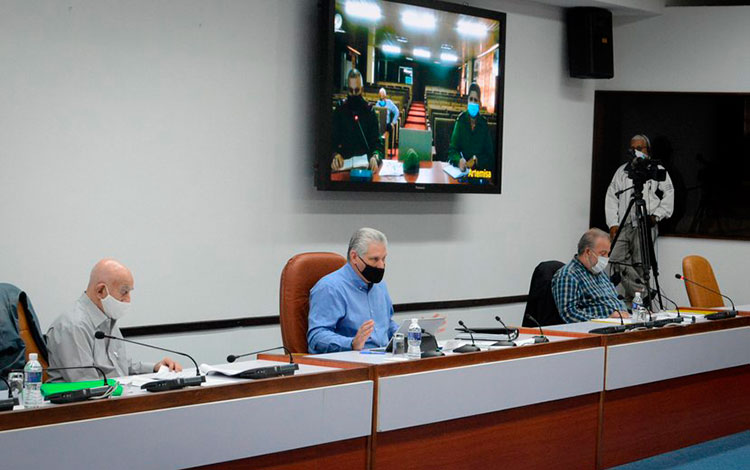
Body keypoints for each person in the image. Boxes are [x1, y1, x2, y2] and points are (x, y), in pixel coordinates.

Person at [46, 259, 181, 382]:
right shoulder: (73, 326)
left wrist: (155, 368)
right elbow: (88, 386)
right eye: (124, 292)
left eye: (130, 292)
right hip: (85, 407)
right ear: (100, 291)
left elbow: (119, 368)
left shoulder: (107, 317)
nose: (128, 299)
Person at [605, 134, 674, 304]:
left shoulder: (655, 169)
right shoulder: (622, 171)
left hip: (645, 223)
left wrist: (657, 216)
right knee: (614, 259)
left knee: (640, 263)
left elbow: (669, 194)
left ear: (647, 150)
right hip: (624, 223)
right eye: (633, 148)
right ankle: (643, 294)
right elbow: (611, 197)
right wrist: (613, 223)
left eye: (640, 148)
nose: (636, 151)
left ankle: (635, 304)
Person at [307, 228, 399, 354]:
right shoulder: (330, 288)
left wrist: (407, 334)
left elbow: (386, 324)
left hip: (384, 359)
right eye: (375, 259)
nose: (381, 266)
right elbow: (316, 337)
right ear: (354, 257)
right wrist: (351, 343)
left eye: (384, 259)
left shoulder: (380, 286)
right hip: (348, 363)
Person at [552, 228, 629, 323]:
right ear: (588, 252)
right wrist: (605, 320)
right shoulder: (568, 275)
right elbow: (569, 313)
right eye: (602, 253)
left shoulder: (599, 272)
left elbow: (614, 301)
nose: (606, 259)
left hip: (621, 324)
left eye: (607, 254)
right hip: (598, 330)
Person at [331, 69, 383, 173]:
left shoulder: (369, 112)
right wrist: (334, 155)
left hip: (365, 169)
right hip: (343, 168)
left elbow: (377, 144)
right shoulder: (340, 110)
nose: (354, 94)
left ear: (362, 89)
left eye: (357, 90)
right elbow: (331, 142)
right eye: (351, 91)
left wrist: (375, 157)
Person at [447, 82, 495, 173]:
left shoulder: (484, 125)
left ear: (480, 104)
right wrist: (459, 161)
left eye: (475, 100)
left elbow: (489, 155)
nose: (473, 102)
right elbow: (452, 150)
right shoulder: (460, 121)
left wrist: (477, 160)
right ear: (467, 101)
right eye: (471, 99)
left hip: (478, 172)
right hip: (461, 171)